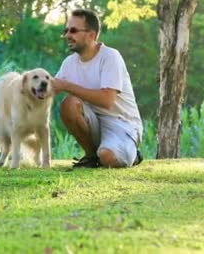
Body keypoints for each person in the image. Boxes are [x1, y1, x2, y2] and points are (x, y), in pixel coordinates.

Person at [52, 9, 143, 168]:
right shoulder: (69, 63)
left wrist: (67, 86)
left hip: (121, 124)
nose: (67, 35)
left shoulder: (110, 57)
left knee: (108, 158)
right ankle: (91, 156)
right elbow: (49, 89)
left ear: (91, 35)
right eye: (66, 30)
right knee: (69, 104)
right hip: (94, 122)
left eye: (73, 30)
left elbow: (107, 100)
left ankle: (132, 155)